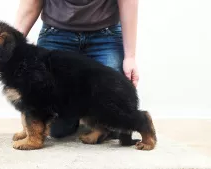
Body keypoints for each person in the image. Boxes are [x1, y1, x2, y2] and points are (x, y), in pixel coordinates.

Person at [14, 0, 139, 139]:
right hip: (56, 34)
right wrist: (14, 46)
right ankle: (82, 116)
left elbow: (129, 2)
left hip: (105, 34)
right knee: (56, 130)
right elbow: (31, 3)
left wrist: (130, 57)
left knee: (114, 121)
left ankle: (91, 118)